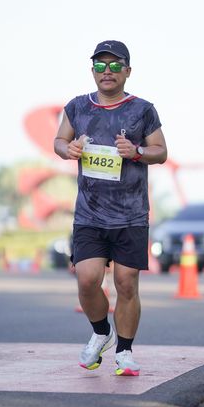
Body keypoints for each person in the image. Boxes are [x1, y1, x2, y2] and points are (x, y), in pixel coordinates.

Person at [54, 40, 167, 376]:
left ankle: (125, 352)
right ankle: (102, 332)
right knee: (87, 280)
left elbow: (161, 151)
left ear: (127, 71)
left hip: (131, 214)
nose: (107, 72)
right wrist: (67, 149)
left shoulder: (142, 110)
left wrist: (136, 152)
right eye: (101, 66)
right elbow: (59, 141)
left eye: (115, 66)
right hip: (89, 214)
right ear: (92, 71)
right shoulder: (77, 107)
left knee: (126, 283)